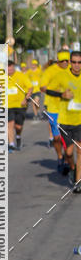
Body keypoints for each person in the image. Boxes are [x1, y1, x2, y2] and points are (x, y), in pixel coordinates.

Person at [50, 50, 81, 190]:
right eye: (74, 62)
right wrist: (61, 94)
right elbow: (48, 89)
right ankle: (73, 168)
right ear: (70, 62)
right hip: (65, 120)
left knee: (80, 150)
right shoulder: (61, 75)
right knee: (68, 153)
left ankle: (78, 181)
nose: (76, 65)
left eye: (79, 62)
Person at [41, 51, 71, 171]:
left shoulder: (73, 69)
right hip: (54, 107)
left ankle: (69, 158)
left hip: (70, 108)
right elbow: (42, 87)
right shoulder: (50, 71)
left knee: (69, 136)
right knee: (57, 137)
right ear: (57, 60)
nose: (65, 63)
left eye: (67, 61)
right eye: (62, 61)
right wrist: (59, 94)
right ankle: (60, 156)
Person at [6, 61, 32, 150]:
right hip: (8, 105)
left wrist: (26, 99)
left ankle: (18, 136)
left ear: (14, 67)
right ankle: (11, 143)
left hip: (20, 105)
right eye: (7, 68)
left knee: (18, 126)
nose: (9, 70)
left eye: (11, 68)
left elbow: (30, 87)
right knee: (10, 124)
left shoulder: (21, 76)